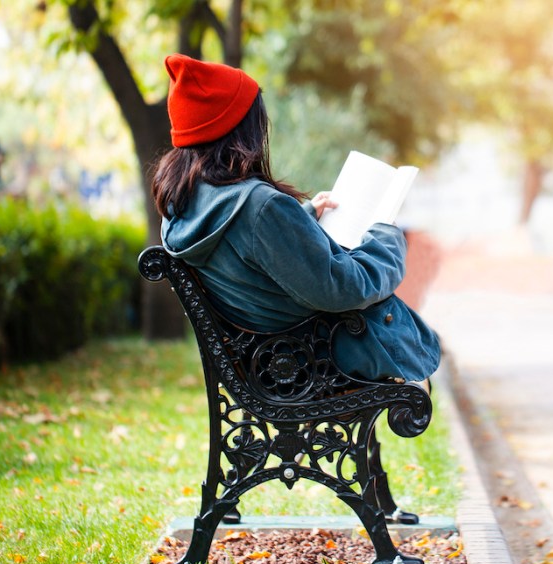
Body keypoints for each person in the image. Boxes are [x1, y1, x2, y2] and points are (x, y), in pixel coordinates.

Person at [153, 54, 440, 385]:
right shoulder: (260, 207)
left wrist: (299, 221)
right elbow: (343, 288)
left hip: (269, 363)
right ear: (241, 128)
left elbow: (242, 253)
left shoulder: (184, 202)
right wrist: (388, 236)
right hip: (313, 365)